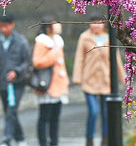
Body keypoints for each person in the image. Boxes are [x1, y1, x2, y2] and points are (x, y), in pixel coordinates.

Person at [72, 13, 125, 146]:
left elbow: (116, 59)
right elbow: (79, 57)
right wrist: (77, 77)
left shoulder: (109, 37)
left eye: (99, 22)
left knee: (106, 114)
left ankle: (105, 140)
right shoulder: (84, 37)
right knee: (93, 112)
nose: (96, 25)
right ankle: (89, 139)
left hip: (106, 81)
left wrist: (123, 78)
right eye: (93, 22)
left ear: (104, 23)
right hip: (89, 80)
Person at [0, 11, 31, 146]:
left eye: (6, 26)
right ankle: (20, 138)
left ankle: (6, 140)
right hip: (3, 83)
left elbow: (27, 62)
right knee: (9, 112)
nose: (4, 29)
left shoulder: (21, 42)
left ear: (12, 25)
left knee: (11, 110)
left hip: (17, 84)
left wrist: (16, 71)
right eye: (1, 26)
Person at [32, 15, 69, 146]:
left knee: (55, 118)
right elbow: (37, 62)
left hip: (58, 84)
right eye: (55, 23)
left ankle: (54, 142)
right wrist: (53, 55)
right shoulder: (42, 42)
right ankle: (43, 143)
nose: (58, 25)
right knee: (44, 117)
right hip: (47, 85)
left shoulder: (58, 41)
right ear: (48, 28)